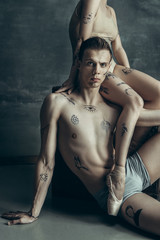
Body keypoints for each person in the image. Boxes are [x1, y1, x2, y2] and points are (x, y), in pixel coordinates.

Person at [2, 37, 160, 236]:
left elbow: (149, 114)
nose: (97, 72)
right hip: (116, 193)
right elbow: (46, 160)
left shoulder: (114, 104)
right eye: (90, 63)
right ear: (78, 63)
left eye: (103, 65)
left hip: (135, 166)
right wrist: (33, 211)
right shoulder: (57, 103)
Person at [55, 0, 160, 214]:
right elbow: (82, 41)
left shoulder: (110, 11)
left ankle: (131, 148)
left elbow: (117, 47)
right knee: (135, 102)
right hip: (96, 70)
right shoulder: (90, 1)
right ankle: (119, 170)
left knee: (158, 93)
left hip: (113, 68)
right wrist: (72, 77)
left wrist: (129, 79)